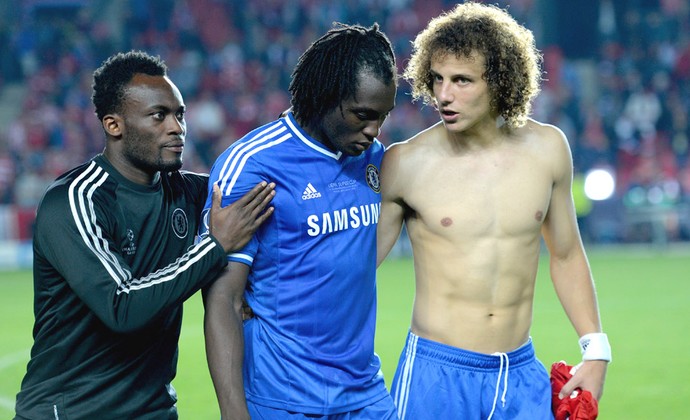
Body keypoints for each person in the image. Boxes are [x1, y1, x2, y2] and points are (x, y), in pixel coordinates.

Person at [376, 3, 611, 420]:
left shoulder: (549, 150)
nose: (444, 95)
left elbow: (566, 254)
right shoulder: (405, 164)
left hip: (520, 373)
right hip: (436, 374)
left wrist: (595, 350)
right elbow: (355, 267)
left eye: (462, 81)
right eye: (438, 79)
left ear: (500, 81)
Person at [14, 50, 275, 419]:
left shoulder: (190, 193)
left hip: (154, 410)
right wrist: (214, 247)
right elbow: (121, 308)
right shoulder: (74, 201)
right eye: (159, 115)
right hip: (72, 411)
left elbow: (258, 188)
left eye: (179, 114)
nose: (177, 128)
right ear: (114, 125)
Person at [201, 23, 399, 419]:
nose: (374, 130)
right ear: (327, 95)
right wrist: (233, 412)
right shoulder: (254, 166)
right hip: (283, 397)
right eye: (363, 115)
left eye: (382, 116)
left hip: (364, 392)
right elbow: (224, 299)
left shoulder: (375, 159)